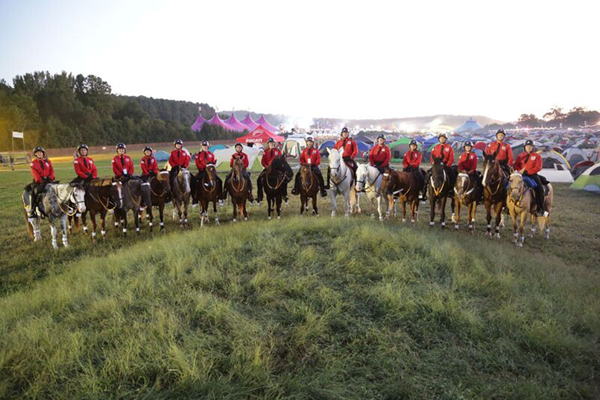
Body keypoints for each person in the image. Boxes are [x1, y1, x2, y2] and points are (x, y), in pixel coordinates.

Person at [513, 139, 547, 216]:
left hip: (532, 175)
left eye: (530, 146)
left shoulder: (537, 156)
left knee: (539, 189)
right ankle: (508, 206)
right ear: (524, 147)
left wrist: (528, 172)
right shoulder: (520, 156)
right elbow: (516, 165)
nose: (528, 148)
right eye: (527, 146)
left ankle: (540, 208)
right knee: (510, 186)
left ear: (533, 147)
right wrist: (519, 170)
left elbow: (538, 167)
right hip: (521, 175)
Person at [26, 146, 55, 218]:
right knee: (34, 192)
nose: (39, 154)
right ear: (35, 154)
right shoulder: (33, 163)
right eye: (37, 153)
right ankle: (32, 209)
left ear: (43, 153)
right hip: (39, 182)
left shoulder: (48, 161)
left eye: (41, 152)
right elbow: (35, 174)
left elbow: (52, 171)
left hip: (49, 180)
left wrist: (50, 177)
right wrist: (41, 180)